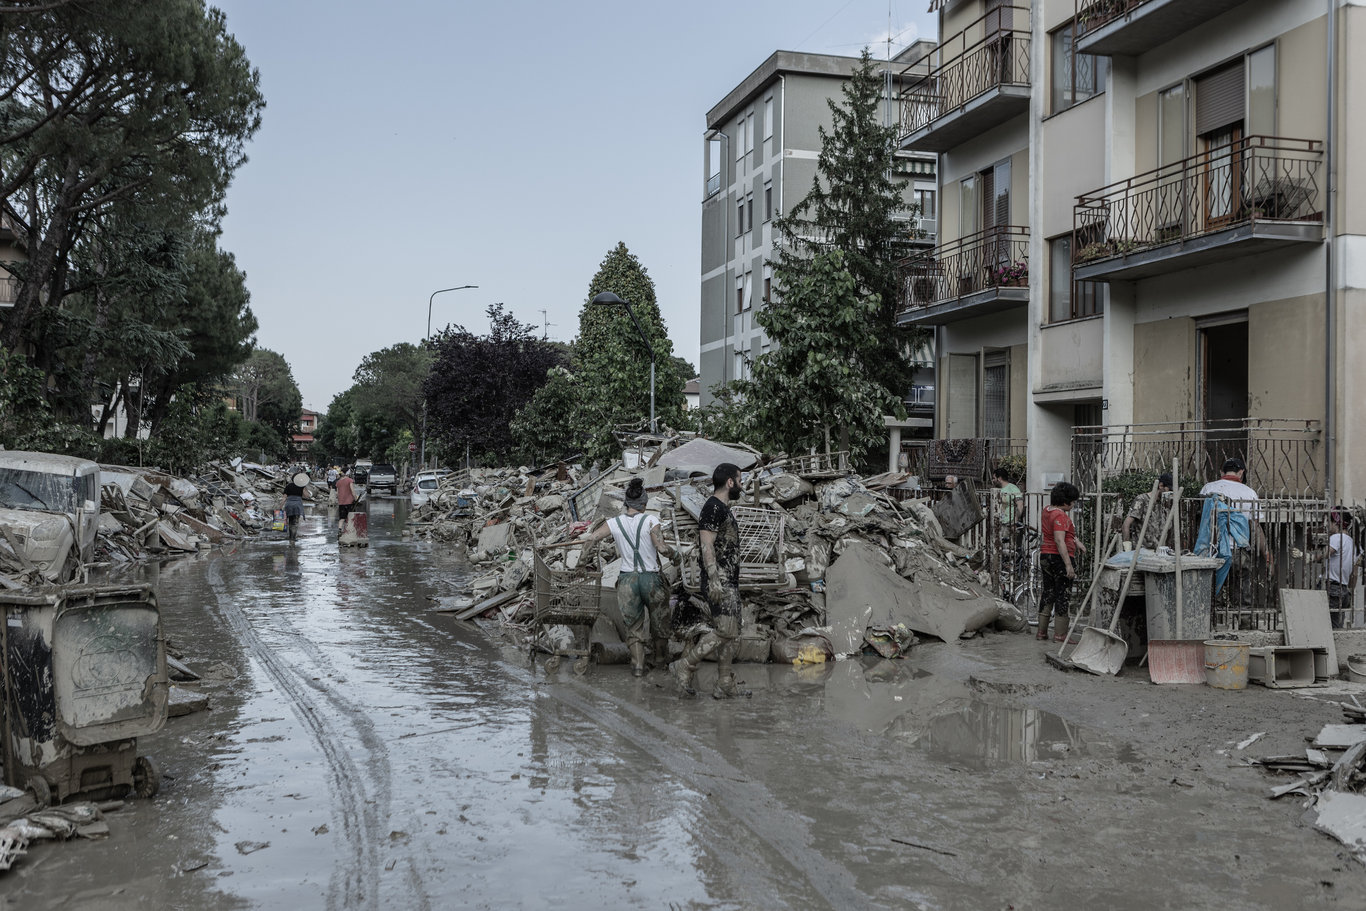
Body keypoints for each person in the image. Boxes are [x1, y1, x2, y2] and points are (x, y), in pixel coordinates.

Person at [671, 462, 750, 699]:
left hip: (728, 580)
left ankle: (725, 681)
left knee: (731, 631)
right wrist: (714, 579)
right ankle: (686, 665)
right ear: (730, 482)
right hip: (720, 580)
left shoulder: (722, 509)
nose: (741, 484)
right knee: (725, 629)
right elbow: (706, 544)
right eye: (740, 479)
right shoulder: (713, 508)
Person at [582, 478, 676, 676]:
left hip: (627, 581)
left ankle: (638, 666)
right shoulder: (651, 520)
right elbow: (661, 547)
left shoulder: (614, 523)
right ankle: (660, 660)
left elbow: (591, 539)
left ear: (626, 503)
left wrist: (581, 562)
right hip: (651, 580)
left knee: (633, 625)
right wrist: (676, 556)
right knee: (659, 622)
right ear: (643, 503)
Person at [1198, 457, 1268, 608]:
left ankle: (1213, 624)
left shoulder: (1208, 489)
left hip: (1212, 549)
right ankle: (1244, 624)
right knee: (1242, 593)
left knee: (1213, 592)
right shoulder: (1249, 493)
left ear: (1222, 472)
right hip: (1238, 549)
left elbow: (1200, 519)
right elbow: (1255, 526)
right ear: (1241, 472)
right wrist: (1267, 555)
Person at [1038, 481, 1085, 642]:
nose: (1073, 505)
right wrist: (1068, 565)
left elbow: (1060, 534)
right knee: (1062, 595)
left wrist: (1076, 541)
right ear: (1066, 502)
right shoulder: (1060, 516)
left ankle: (1041, 632)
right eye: (1072, 502)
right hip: (1058, 558)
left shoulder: (1047, 510)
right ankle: (1060, 634)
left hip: (1045, 556)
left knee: (1048, 592)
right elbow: (1059, 540)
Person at [1122, 473, 1173, 551]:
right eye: (1168, 489)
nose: (1170, 492)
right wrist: (1127, 549)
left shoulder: (1164, 504)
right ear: (1161, 486)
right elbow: (1126, 524)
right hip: (1140, 552)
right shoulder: (1142, 500)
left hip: (1157, 552)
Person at [283, 471, 307, 544]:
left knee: (290, 521)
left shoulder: (288, 486)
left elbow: (284, 497)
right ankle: (293, 537)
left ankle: (290, 536)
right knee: (295, 522)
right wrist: (305, 488)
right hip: (297, 505)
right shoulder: (301, 486)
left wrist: (280, 506)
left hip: (288, 505)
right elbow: (307, 495)